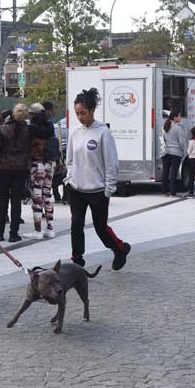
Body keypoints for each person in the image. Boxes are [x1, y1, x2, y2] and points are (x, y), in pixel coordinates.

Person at [65, 88, 131, 270]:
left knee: (100, 227)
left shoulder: (103, 133)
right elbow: (69, 160)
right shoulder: (75, 133)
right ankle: (77, 261)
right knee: (76, 225)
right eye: (77, 113)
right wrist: (70, 177)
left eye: (83, 113)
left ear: (92, 110)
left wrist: (109, 189)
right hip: (76, 189)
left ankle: (120, 249)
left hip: (98, 191)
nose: (80, 117)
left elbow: (111, 163)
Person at [0, 103, 31, 243]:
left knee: (2, 200)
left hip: (3, 167)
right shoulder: (29, 130)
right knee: (16, 201)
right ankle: (13, 233)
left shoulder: (3, 129)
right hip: (21, 168)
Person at [23, 103, 56, 240]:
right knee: (47, 194)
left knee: (37, 197)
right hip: (51, 163)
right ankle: (50, 228)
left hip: (37, 164)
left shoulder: (31, 128)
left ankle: (37, 230)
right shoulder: (50, 127)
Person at [43, 101, 66, 204]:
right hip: (47, 158)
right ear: (48, 110)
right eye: (53, 109)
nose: (54, 111)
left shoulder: (36, 122)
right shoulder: (48, 124)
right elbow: (52, 143)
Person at [160, 109, 186, 197]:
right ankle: (173, 192)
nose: (180, 118)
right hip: (176, 153)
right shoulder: (178, 128)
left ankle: (164, 191)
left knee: (165, 172)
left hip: (166, 152)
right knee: (173, 173)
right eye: (179, 116)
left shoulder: (164, 126)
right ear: (175, 117)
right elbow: (182, 142)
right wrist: (184, 151)